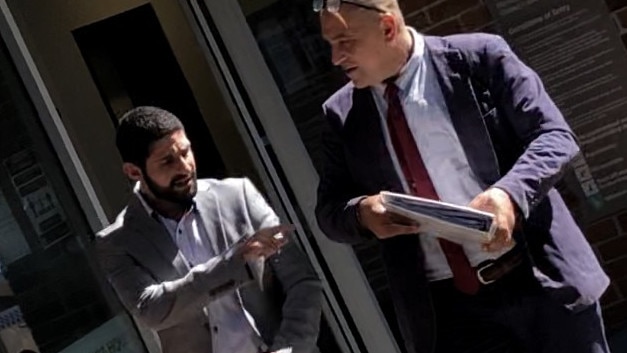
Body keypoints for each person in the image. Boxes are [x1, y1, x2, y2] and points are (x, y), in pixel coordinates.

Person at [313, 0, 611, 352]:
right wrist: (362, 213)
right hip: (453, 315)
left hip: (539, 281)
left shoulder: (478, 57)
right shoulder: (341, 115)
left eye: (345, 41)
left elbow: (554, 137)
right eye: (330, 44)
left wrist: (508, 195)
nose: (336, 58)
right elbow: (329, 211)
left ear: (388, 27)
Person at [96, 106, 322, 353]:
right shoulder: (117, 242)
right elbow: (152, 310)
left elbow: (302, 281)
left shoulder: (238, 196)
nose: (184, 167)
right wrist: (235, 262)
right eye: (167, 161)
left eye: (185, 152)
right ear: (134, 171)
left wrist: (290, 349)